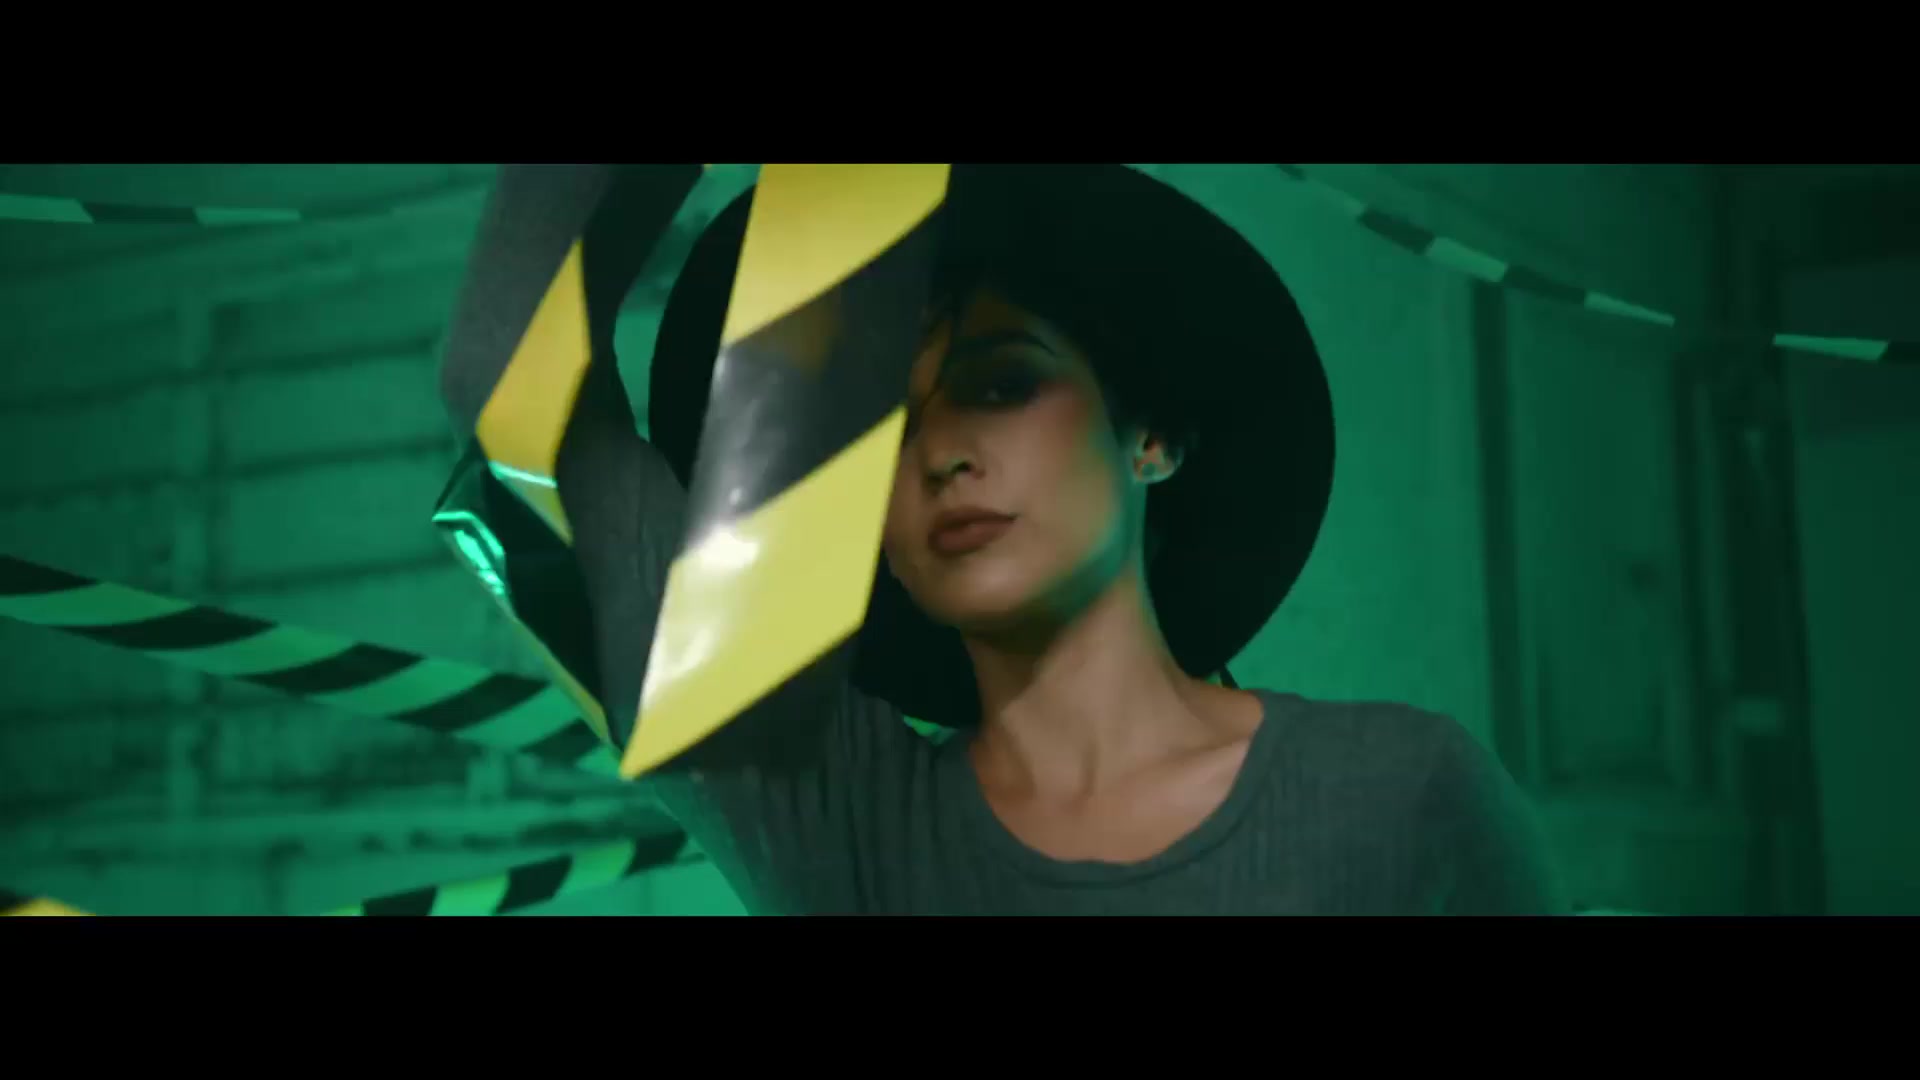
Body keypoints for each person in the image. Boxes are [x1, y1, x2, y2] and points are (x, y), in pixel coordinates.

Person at [439, 163, 1567, 915]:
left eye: (1000, 383)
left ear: (1153, 436)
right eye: (882, 426)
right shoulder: (842, 819)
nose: (938, 452)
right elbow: (507, 379)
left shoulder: (1403, 796)